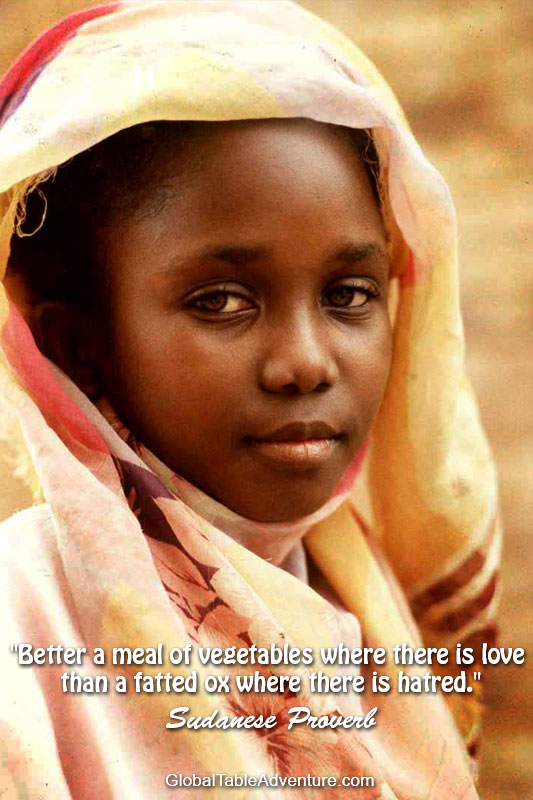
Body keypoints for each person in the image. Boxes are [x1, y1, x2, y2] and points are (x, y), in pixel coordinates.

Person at [0, 1, 500, 797]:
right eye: (221, 301)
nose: (304, 364)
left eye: (348, 293)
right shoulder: (22, 631)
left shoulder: (363, 607)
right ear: (78, 345)